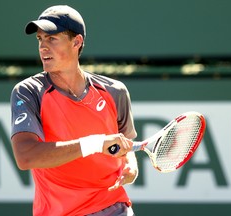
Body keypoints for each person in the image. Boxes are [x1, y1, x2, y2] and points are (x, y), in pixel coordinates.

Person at [10, 4, 138, 216]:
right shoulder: (28, 92)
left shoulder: (115, 92)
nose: (43, 47)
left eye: (52, 38)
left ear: (76, 42)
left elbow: (125, 142)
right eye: (40, 39)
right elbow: (26, 156)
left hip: (114, 208)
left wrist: (131, 164)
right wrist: (95, 143)